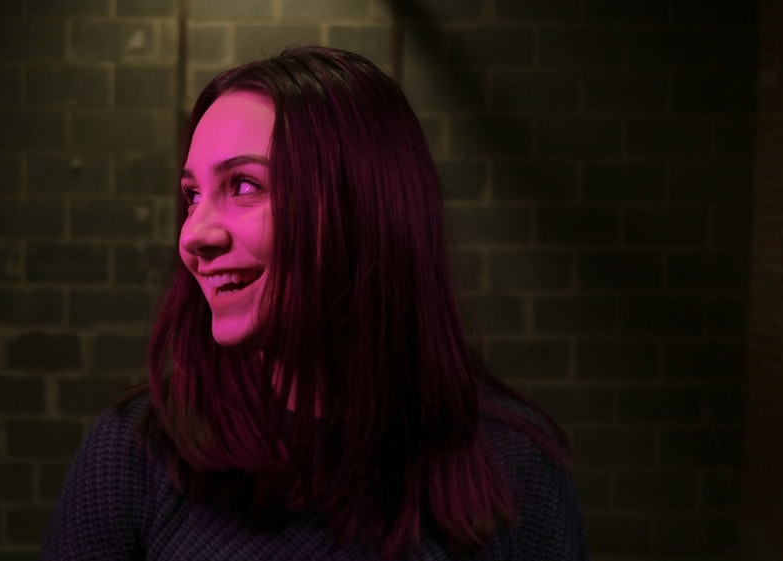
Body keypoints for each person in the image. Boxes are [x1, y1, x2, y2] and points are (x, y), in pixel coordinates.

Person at [41, 46, 587, 560]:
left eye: (244, 185)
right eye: (192, 195)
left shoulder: (516, 464)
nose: (193, 236)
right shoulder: (139, 453)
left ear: (361, 209)